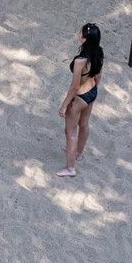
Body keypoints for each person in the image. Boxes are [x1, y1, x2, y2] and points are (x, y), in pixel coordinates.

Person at [56, 23, 104, 177]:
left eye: (80, 31)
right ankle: (78, 152)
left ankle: (70, 168)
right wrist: (93, 89)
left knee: (70, 133)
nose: (78, 32)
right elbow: (98, 75)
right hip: (92, 91)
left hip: (80, 97)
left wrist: (64, 105)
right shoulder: (99, 52)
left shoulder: (80, 61)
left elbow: (74, 87)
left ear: (85, 38)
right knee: (84, 125)